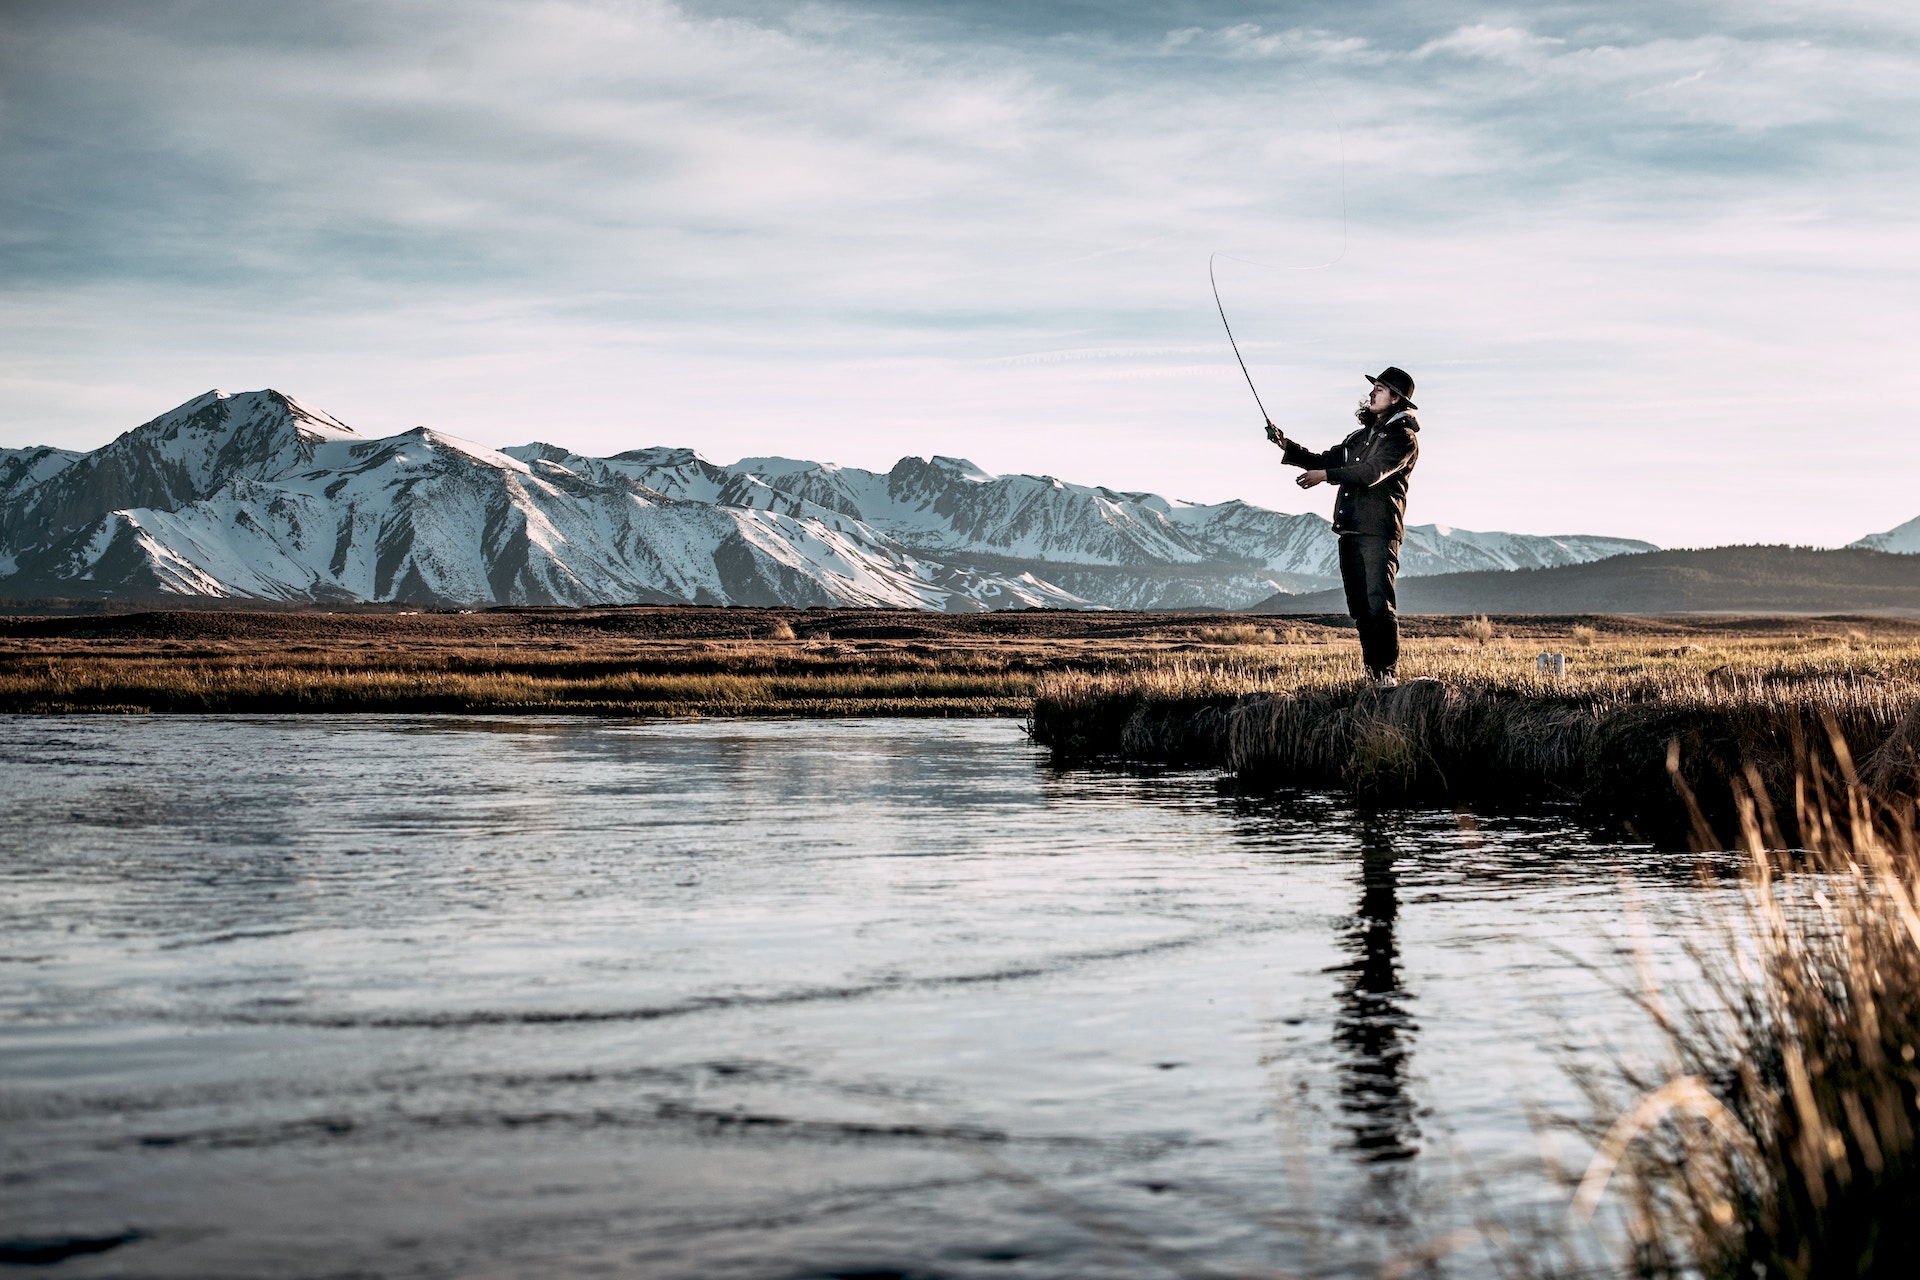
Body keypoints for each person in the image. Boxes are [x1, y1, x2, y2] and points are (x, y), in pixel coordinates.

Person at [1267, 368, 1421, 688]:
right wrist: (1285, 445)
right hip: (1351, 530)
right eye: (1373, 388)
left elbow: (1371, 473)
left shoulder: (1402, 438)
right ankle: (1374, 675)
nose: (1371, 394)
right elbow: (1324, 459)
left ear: (1396, 399)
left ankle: (1386, 674)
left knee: (1379, 603)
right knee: (1361, 608)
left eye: (1379, 389)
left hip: (1379, 531)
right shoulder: (1358, 437)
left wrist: (1325, 476)